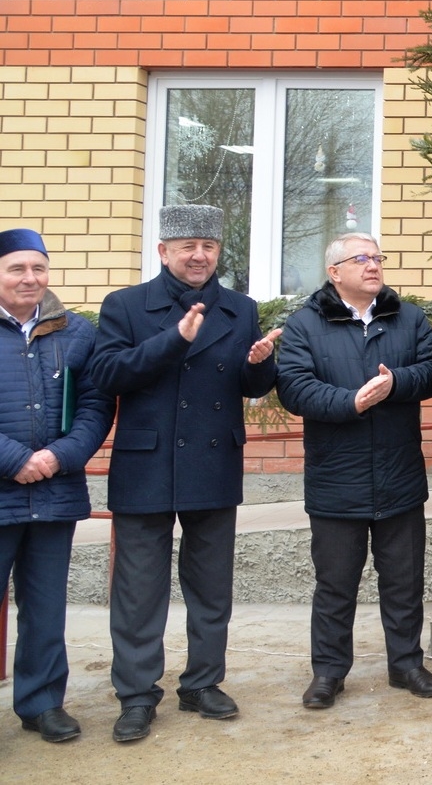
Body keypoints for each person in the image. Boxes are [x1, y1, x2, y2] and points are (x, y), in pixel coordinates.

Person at [88, 204, 282, 743]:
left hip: (213, 461)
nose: (200, 256)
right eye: (188, 246)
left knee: (211, 587)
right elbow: (107, 373)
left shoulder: (240, 309)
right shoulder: (125, 305)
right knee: (138, 590)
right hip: (145, 463)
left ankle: (202, 683)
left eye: (210, 247)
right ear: (163, 251)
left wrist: (261, 362)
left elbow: (248, 385)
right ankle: (136, 694)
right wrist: (174, 339)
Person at [275, 233, 432, 709]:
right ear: (335, 272)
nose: (373, 265)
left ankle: (407, 664)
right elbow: (293, 387)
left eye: (377, 257)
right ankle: (329, 672)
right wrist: (349, 402)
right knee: (335, 585)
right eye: (362, 259)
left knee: (403, 579)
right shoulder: (305, 324)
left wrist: (395, 384)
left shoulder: (407, 317)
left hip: (399, 476)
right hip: (336, 479)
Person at [0, 228, 114, 743]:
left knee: (45, 606)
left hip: (54, 493)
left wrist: (56, 457)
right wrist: (15, 460)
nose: (30, 278)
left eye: (38, 268)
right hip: (5, 486)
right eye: (17, 269)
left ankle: (42, 703)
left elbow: (94, 406)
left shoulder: (75, 332)